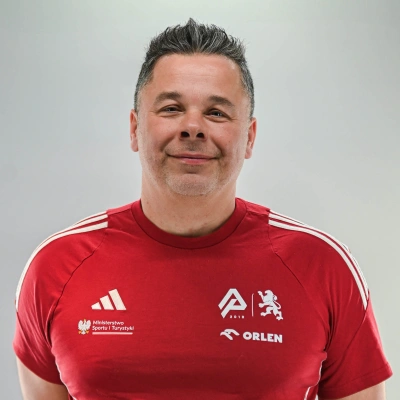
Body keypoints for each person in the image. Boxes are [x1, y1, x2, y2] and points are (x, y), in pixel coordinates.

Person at [13, 19, 392, 400]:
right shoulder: (56, 267)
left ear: (249, 137)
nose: (193, 127)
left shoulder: (323, 267)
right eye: (171, 108)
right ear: (134, 129)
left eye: (216, 113)